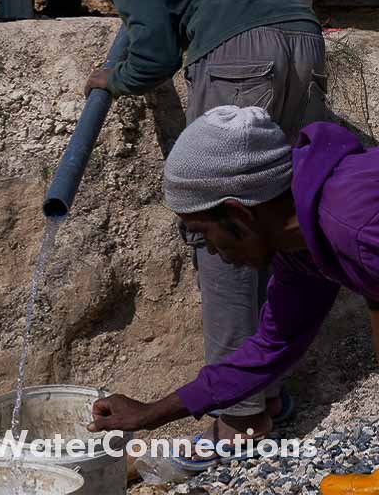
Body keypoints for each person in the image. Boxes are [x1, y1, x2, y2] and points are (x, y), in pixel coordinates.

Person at [68, 0, 327, 443]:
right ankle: (268, 393)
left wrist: (112, 78)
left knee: (220, 231)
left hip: (239, 57)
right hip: (305, 48)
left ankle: (238, 418)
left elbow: (156, 55)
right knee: (271, 220)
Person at [90, 106, 379, 471]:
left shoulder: (355, 225)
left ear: (240, 215)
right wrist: (151, 413)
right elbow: (273, 346)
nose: (210, 250)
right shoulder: (300, 245)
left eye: (201, 233)